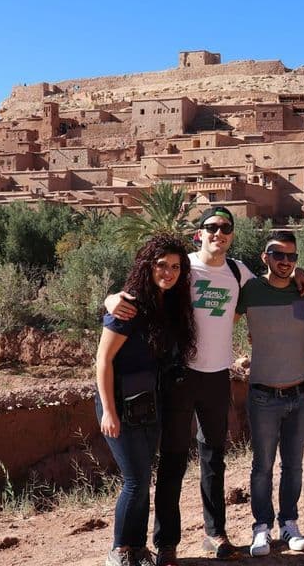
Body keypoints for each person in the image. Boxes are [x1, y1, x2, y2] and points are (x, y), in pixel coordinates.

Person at [105, 206, 304, 564]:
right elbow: (140, 289)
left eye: (225, 227)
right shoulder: (180, 267)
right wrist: (109, 299)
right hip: (179, 375)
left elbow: (273, 280)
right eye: (211, 227)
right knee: (173, 461)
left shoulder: (237, 271)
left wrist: (300, 273)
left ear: (232, 234)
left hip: (218, 377)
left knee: (214, 458)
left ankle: (215, 534)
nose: (219, 233)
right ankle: (166, 543)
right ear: (199, 233)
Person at [95, 233, 197, 566]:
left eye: (175, 267)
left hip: (149, 403)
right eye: (161, 266)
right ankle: (121, 550)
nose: (168, 272)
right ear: (147, 266)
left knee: (141, 478)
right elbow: (103, 361)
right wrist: (109, 411)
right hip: (121, 403)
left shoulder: (169, 306)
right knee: (135, 480)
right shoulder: (129, 305)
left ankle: (138, 549)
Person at [235, 231, 304, 557]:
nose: (285, 262)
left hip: (300, 393)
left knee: (293, 466)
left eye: (292, 257)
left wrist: (302, 275)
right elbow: (224, 320)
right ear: (265, 257)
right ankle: (261, 527)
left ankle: (289, 522)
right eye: (277, 255)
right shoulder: (250, 290)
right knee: (262, 466)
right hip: (264, 395)